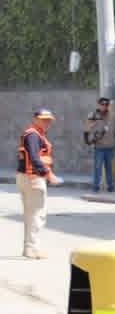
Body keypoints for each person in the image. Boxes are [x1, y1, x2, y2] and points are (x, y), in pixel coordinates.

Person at [16, 107, 59, 259]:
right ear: (35, 119)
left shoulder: (33, 134)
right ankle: (33, 249)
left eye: (49, 120)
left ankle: (29, 248)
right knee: (37, 215)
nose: (47, 122)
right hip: (33, 178)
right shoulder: (33, 135)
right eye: (43, 119)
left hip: (27, 178)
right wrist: (48, 175)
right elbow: (34, 159)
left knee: (30, 215)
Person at [84, 97, 115, 193]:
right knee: (98, 168)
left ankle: (110, 187)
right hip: (99, 146)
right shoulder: (93, 115)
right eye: (102, 104)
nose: (104, 106)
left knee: (109, 168)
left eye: (106, 104)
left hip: (110, 145)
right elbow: (87, 128)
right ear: (99, 105)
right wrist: (91, 138)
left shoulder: (112, 115)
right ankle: (96, 186)